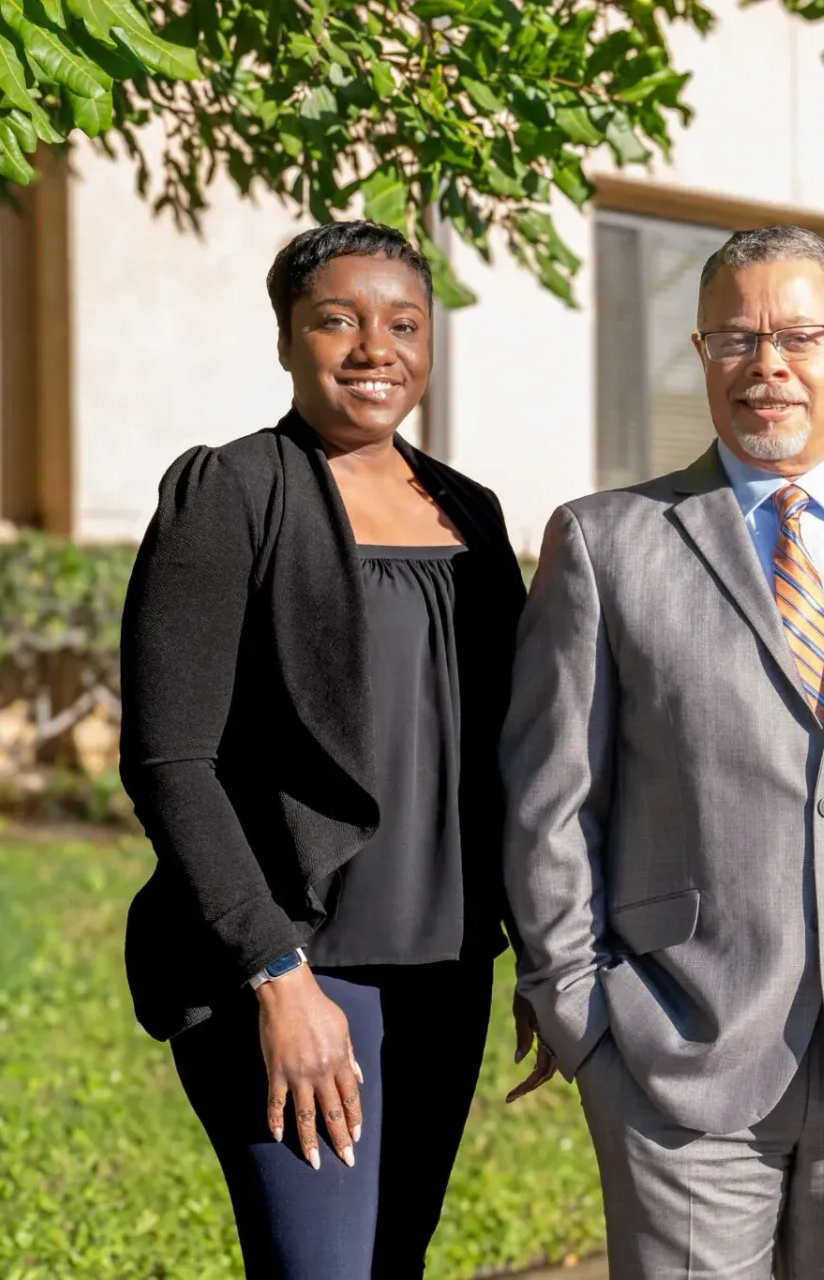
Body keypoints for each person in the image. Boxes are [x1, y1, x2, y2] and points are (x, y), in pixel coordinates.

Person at [500, 223, 824, 1279]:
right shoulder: (607, 543)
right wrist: (581, 1018)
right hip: (678, 1054)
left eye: (798, 334)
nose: (768, 365)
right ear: (700, 355)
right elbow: (551, 803)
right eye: (735, 338)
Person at [119, 221, 529, 1278]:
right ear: (288, 338)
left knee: (394, 1258)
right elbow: (170, 760)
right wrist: (276, 973)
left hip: (444, 968)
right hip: (300, 967)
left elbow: (513, 749)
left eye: (403, 323)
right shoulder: (233, 493)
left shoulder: (470, 513)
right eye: (336, 319)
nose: (372, 347)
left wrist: (542, 943)